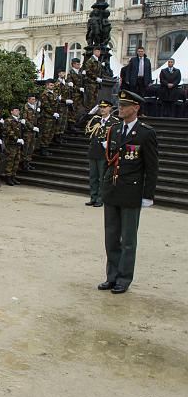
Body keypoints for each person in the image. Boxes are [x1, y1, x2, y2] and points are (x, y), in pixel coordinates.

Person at [99, 90, 158, 294]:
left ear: (136, 108)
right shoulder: (114, 130)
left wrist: (147, 195)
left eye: (125, 106)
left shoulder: (146, 133)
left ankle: (124, 278)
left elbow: (152, 167)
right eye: (120, 105)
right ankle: (111, 276)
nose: (120, 109)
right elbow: (109, 161)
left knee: (128, 240)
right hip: (112, 189)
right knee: (111, 237)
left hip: (131, 192)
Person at [80, 99, 119, 207]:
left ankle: (100, 198)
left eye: (104, 107)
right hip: (94, 151)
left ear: (110, 108)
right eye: (101, 107)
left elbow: (117, 137)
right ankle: (93, 197)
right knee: (93, 176)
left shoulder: (114, 121)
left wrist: (110, 143)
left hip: (104, 153)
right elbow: (82, 125)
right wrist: (90, 113)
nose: (102, 109)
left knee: (102, 177)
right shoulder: (95, 119)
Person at [3, 104, 25, 186]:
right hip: (11, 144)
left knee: (16, 161)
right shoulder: (8, 120)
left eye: (18, 110)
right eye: (16, 110)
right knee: (10, 161)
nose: (17, 112)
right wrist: (16, 139)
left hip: (18, 144)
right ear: (11, 111)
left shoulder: (19, 120)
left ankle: (13, 176)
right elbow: (9, 131)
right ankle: (8, 177)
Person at [38, 78, 60, 156]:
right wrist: (53, 113)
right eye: (51, 85)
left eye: (53, 85)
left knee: (51, 133)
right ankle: (43, 149)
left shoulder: (54, 93)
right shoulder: (45, 94)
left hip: (53, 117)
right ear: (47, 85)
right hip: (47, 117)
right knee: (46, 133)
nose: (52, 86)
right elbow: (46, 106)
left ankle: (46, 148)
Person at [21, 94, 40, 170]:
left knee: (31, 148)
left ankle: (28, 163)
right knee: (26, 147)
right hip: (28, 131)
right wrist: (32, 127)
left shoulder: (34, 107)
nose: (34, 101)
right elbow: (25, 120)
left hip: (33, 131)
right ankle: (24, 163)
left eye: (34, 99)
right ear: (28, 100)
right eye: (32, 99)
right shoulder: (25, 108)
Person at [67, 58, 85, 132]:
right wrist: (78, 89)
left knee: (77, 109)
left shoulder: (80, 73)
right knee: (73, 110)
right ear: (73, 64)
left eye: (79, 64)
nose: (79, 65)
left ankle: (74, 124)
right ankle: (71, 125)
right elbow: (70, 85)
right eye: (77, 64)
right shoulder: (70, 73)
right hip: (73, 94)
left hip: (79, 95)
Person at [54, 70, 70, 144]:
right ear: (58, 74)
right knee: (59, 121)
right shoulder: (57, 83)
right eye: (61, 73)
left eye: (64, 73)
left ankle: (60, 135)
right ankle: (57, 136)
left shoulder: (65, 83)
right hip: (60, 105)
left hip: (65, 105)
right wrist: (64, 100)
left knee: (63, 121)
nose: (63, 74)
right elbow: (57, 96)